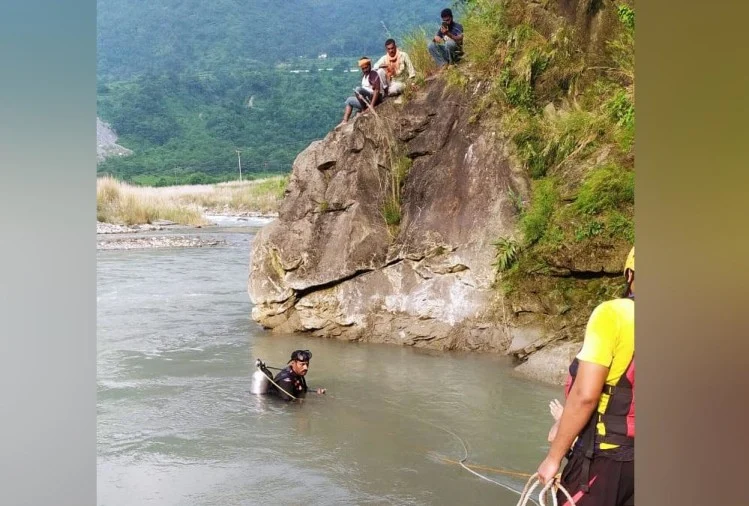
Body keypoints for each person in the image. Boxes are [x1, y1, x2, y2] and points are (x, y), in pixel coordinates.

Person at [537, 247, 635, 506]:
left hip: (607, 457)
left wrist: (554, 457)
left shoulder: (613, 314)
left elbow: (585, 396)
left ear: (629, 274)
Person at [339, 57, 387, 126]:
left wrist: (372, 105)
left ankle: (364, 110)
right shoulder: (364, 76)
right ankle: (345, 120)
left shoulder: (373, 74)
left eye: (366, 68)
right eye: (363, 68)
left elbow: (377, 90)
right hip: (365, 100)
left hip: (373, 99)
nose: (365, 70)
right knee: (349, 100)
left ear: (370, 66)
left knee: (358, 89)